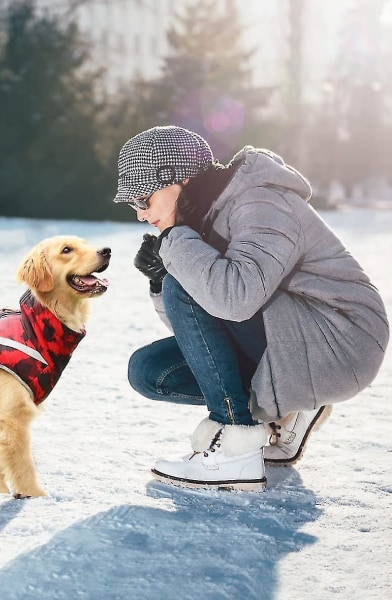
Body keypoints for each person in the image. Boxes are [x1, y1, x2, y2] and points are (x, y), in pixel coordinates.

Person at [113, 125, 389, 492]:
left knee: (190, 282)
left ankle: (235, 445)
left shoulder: (259, 202)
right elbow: (200, 329)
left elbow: (235, 298)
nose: (141, 215)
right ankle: (292, 411)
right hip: (291, 338)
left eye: (143, 200)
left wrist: (177, 245)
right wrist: (160, 278)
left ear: (179, 180)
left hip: (340, 340)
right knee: (148, 371)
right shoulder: (203, 218)